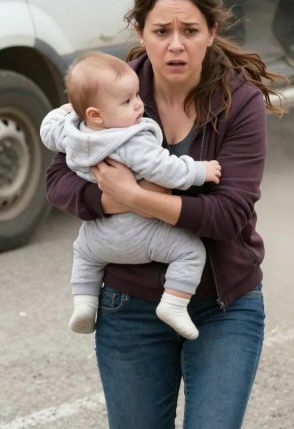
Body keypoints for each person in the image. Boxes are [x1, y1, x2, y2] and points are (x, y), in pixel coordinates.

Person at [45, 0, 282, 429]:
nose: (175, 44)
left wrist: (136, 198)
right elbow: (59, 178)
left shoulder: (238, 102)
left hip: (224, 303)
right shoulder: (108, 89)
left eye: (189, 30)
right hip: (128, 305)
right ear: (140, 32)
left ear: (211, 32)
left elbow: (230, 212)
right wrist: (105, 198)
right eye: (161, 30)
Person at [40, 52, 222, 338]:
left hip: (98, 237)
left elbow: (47, 129)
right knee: (190, 251)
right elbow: (166, 170)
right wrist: (201, 170)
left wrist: (67, 111)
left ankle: (84, 304)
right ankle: (174, 304)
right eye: (126, 101)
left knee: (83, 254)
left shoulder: (70, 132)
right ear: (95, 114)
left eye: (136, 95)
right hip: (141, 235)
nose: (138, 104)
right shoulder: (131, 140)